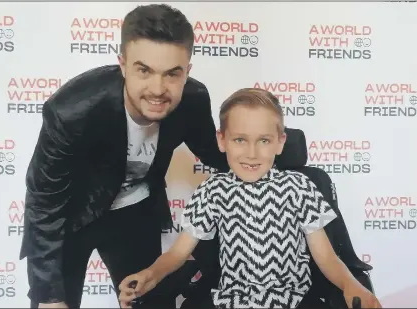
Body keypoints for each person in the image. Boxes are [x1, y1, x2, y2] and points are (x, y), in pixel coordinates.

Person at [19, 4, 231, 309]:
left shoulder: (192, 100)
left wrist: (274, 160)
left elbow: (216, 154)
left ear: (187, 72)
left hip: (135, 211)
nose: (158, 89)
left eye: (172, 74)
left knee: (152, 300)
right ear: (123, 65)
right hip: (72, 216)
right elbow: (44, 204)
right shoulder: (72, 110)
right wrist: (50, 297)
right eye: (144, 70)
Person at [118, 88, 383, 309]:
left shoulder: (299, 186)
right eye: (240, 140)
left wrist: (351, 285)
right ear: (222, 141)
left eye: (264, 141)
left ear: (280, 143)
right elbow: (178, 253)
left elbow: (326, 257)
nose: (252, 153)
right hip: (232, 300)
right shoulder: (213, 190)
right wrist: (150, 274)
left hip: (294, 300)